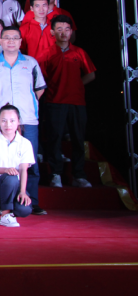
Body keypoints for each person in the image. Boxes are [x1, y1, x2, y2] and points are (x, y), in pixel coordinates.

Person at [0, 25, 47, 215]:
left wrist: (29, 103)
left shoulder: (31, 63)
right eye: (7, 38)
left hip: (27, 119)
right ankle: (4, 203)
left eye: (15, 38)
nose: (11, 41)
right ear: (0, 41)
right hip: (1, 121)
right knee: (2, 160)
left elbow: (39, 88)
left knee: (29, 161)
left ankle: (31, 201)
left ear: (20, 41)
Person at [43, 16, 95, 189]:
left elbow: (91, 74)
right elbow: (40, 78)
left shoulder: (79, 52)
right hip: (55, 101)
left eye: (67, 29)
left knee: (78, 139)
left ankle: (78, 175)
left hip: (77, 102)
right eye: (59, 29)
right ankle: (55, 174)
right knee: (55, 138)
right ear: (52, 32)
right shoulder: (47, 53)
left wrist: (76, 84)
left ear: (71, 31)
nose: (63, 32)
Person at [0, 105, 34, 227]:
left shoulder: (25, 143)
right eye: (4, 121)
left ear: (18, 122)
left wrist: (23, 191)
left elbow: (23, 169)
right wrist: (6, 170)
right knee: (11, 177)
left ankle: (7, 205)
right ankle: (5, 215)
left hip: (14, 185)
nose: (8, 124)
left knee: (24, 210)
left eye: (12, 120)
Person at [19, 0, 56, 67]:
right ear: (31, 8)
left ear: (48, 7)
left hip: (54, 68)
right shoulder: (24, 29)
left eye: (44, 5)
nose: (41, 9)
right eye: (37, 6)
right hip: (32, 68)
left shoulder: (55, 28)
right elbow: (20, 53)